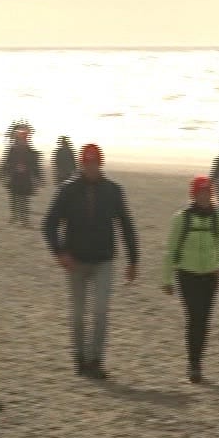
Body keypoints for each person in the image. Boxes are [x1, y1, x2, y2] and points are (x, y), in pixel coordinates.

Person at [41, 144, 140, 380]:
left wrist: (133, 260)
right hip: (76, 261)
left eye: (95, 162)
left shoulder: (113, 191)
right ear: (81, 163)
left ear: (101, 163)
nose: (91, 166)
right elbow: (49, 224)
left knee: (100, 311)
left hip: (104, 259)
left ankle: (96, 360)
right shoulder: (68, 190)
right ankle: (80, 360)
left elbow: (126, 225)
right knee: (77, 314)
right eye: (87, 162)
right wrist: (60, 252)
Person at [161, 176, 219, 384]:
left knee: (204, 320)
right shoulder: (181, 218)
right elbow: (171, 250)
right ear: (193, 194)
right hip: (187, 274)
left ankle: (198, 361)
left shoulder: (218, 217)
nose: (204, 196)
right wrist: (167, 279)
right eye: (200, 192)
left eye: (207, 192)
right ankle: (194, 365)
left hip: (210, 275)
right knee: (194, 318)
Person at [0, 126, 45, 226]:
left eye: (24, 138)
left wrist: (39, 179)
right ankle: (14, 217)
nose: (23, 140)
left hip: (25, 179)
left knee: (24, 200)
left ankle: (24, 219)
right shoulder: (13, 150)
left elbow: (36, 167)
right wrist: (1, 174)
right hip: (15, 178)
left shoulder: (31, 152)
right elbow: (7, 163)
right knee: (14, 199)